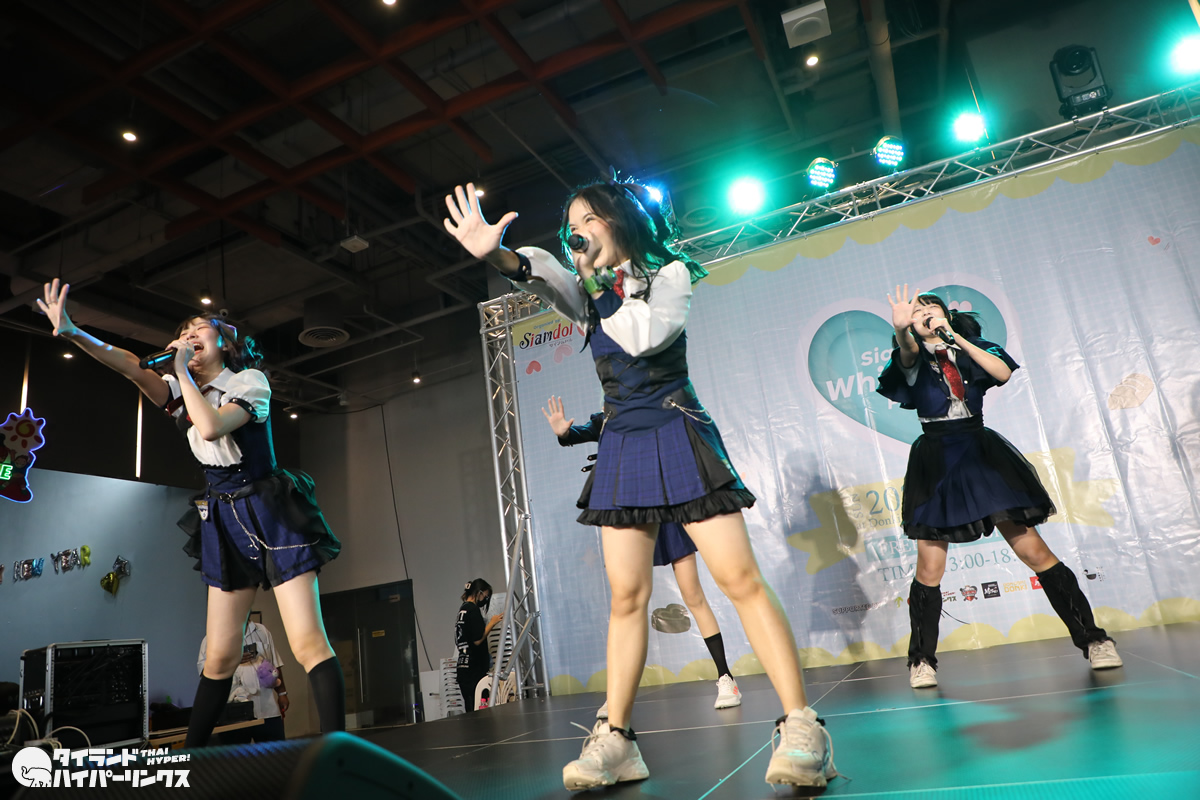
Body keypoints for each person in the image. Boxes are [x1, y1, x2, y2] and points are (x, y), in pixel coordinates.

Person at [443, 181, 835, 791]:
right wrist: (497, 255)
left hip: (678, 428)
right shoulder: (585, 291)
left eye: (589, 218)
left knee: (739, 580)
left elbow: (642, 336)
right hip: (624, 441)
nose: (577, 231)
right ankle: (617, 739)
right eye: (571, 223)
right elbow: (539, 272)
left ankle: (802, 726)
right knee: (626, 597)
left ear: (620, 221)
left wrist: (600, 285)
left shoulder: (668, 276)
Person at [38, 280, 346, 747]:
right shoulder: (181, 389)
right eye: (184, 332)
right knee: (219, 657)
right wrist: (74, 332)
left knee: (306, 643)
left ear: (225, 343)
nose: (188, 335)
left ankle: (339, 748)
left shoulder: (249, 382)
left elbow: (211, 425)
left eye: (199, 330)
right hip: (222, 518)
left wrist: (181, 371)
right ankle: (194, 758)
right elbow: (129, 364)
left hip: (271, 512)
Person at [878, 285, 1122, 690]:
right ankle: (921, 661)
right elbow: (905, 352)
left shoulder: (970, 348)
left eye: (930, 308)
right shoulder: (911, 358)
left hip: (981, 455)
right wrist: (905, 331)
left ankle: (1095, 640)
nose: (923, 314)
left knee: (1034, 551)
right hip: (936, 462)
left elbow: (1002, 373)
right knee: (930, 568)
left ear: (946, 315)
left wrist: (953, 338)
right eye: (916, 312)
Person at [543, 396, 741, 713]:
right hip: (631, 513)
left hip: (669, 510)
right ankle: (617, 695)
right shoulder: (606, 418)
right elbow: (579, 433)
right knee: (626, 602)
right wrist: (563, 432)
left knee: (693, 595)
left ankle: (726, 677)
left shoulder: (658, 411)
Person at [197, 617, 288, 743]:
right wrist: (232, 661)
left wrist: (282, 693)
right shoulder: (213, 637)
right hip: (233, 714)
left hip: (267, 709)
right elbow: (204, 672)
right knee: (236, 754)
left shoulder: (262, 631)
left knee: (276, 753)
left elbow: (275, 664)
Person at [455, 579, 504, 711]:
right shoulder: (473, 610)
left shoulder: (463, 609)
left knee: (470, 707)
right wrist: (492, 623)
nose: (485, 599)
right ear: (479, 593)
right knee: (479, 708)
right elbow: (477, 639)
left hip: (464, 666)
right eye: (485, 596)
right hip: (474, 669)